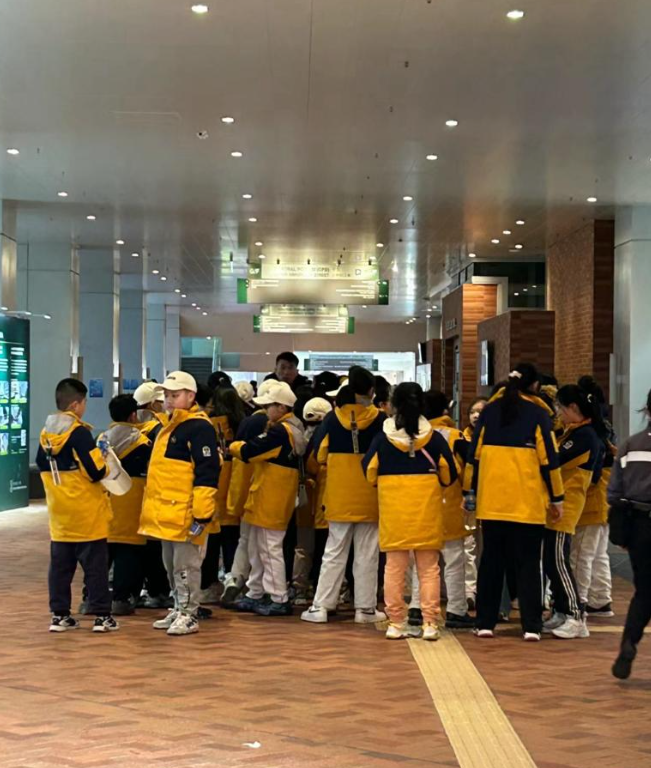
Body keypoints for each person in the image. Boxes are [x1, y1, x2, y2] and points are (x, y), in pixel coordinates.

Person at [465, 363, 564, 641]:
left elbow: (474, 456)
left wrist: (468, 492)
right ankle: (531, 626)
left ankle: (484, 623)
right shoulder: (539, 414)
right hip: (527, 502)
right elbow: (549, 460)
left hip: (492, 502)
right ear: (535, 386)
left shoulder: (489, 412)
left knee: (491, 562)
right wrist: (557, 497)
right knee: (529, 564)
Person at [363, 383, 456, 640]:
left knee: (394, 569)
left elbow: (369, 472)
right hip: (427, 511)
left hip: (394, 512)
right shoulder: (434, 438)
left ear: (394, 405)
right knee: (429, 569)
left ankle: (395, 623)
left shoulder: (383, 439)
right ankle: (430, 623)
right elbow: (449, 475)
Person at [301, 366, 387, 625]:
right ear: (371, 391)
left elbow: (319, 455)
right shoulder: (381, 420)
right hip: (370, 495)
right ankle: (366, 609)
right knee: (367, 554)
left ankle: (321, 606)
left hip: (338, 495)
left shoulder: (331, 419)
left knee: (333, 551)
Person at [138, 371, 220, 636]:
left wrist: (202, 513)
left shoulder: (200, 427)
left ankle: (189, 613)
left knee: (186, 567)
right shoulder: (167, 426)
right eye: (166, 395)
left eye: (175, 395)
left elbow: (207, 472)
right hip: (166, 512)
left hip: (187, 513)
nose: (169, 400)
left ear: (191, 396)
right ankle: (178, 606)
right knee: (171, 565)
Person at [36, 378, 119, 633]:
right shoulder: (80, 433)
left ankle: (60, 615)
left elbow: (41, 464)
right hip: (87, 514)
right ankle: (102, 616)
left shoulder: (45, 435)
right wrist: (104, 459)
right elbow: (96, 471)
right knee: (95, 568)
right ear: (75, 404)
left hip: (60, 515)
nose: (84, 407)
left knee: (60, 568)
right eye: (84, 403)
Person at [229, 381, 307, 616]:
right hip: (266, 494)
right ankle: (255, 591)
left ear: (282, 407)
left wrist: (234, 446)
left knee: (269, 548)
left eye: (269, 406)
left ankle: (278, 597)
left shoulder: (281, 431)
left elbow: (250, 451)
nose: (265, 410)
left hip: (272, 497)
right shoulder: (291, 428)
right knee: (257, 546)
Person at [543, 385, 603, 640]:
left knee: (558, 561)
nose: (558, 412)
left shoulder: (585, 436)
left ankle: (576, 616)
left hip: (566, 507)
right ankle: (560, 609)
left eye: (560, 407)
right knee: (551, 561)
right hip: (555, 507)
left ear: (573, 408)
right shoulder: (572, 432)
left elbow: (554, 460)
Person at [221, 379, 276, 606]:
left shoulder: (246, 422)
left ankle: (235, 579)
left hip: (242, 488)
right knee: (264, 544)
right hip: (262, 488)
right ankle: (258, 587)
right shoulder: (272, 426)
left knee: (245, 539)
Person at [608, 388, 651, 680]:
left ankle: (629, 642)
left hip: (638, 525)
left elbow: (614, 493)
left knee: (645, 591)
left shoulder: (630, 445)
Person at [424, 390, 475, 629]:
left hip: (422, 505)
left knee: (424, 562)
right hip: (451, 504)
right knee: (455, 560)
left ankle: (417, 608)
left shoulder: (415, 435)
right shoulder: (455, 436)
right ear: (445, 410)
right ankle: (456, 609)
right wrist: (469, 495)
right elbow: (470, 468)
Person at [104, 394, 154, 615]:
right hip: (131, 502)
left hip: (105, 501)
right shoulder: (142, 441)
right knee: (128, 553)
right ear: (134, 415)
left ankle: (91, 597)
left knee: (103, 554)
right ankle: (121, 599)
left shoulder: (101, 440)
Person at [571, 376, 616, 618]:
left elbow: (593, 474)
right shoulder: (606, 429)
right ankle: (600, 599)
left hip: (592, 500)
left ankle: (578, 602)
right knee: (598, 553)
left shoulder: (588, 435)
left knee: (581, 554)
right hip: (605, 500)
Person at [200, 386, 246, 604]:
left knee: (211, 539)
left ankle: (209, 584)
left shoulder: (206, 424)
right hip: (236, 485)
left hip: (213, 486)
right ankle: (233, 579)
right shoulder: (241, 424)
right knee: (233, 539)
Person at [292, 396, 333, 604]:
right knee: (327, 549)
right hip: (325, 502)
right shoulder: (329, 437)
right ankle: (324, 589)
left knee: (303, 547)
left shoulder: (297, 436)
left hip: (304, 499)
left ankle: (299, 588)